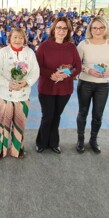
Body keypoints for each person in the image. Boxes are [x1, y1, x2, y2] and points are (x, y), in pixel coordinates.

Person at [35, 17, 82, 154]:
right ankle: (41, 142)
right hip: (46, 88)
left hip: (64, 89)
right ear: (54, 29)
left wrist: (66, 74)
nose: (61, 31)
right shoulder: (44, 46)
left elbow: (77, 67)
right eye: (59, 28)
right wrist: (52, 74)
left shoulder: (72, 47)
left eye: (64, 28)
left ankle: (54, 142)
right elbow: (37, 66)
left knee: (57, 116)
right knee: (48, 115)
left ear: (68, 31)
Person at [0, 28, 40, 159]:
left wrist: (26, 82)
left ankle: (17, 150)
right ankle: (0, 150)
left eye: (20, 37)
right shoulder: (2, 52)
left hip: (23, 95)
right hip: (6, 95)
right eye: (15, 37)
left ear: (24, 39)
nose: (17, 40)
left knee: (20, 124)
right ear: (9, 39)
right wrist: (9, 84)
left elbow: (35, 72)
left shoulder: (30, 53)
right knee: (3, 123)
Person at [75, 17, 109, 153]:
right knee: (83, 112)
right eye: (94, 28)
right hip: (85, 83)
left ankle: (93, 140)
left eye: (101, 28)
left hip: (102, 85)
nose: (97, 30)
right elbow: (77, 64)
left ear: (105, 29)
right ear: (90, 29)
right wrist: (89, 70)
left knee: (98, 115)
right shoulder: (84, 44)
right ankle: (80, 139)